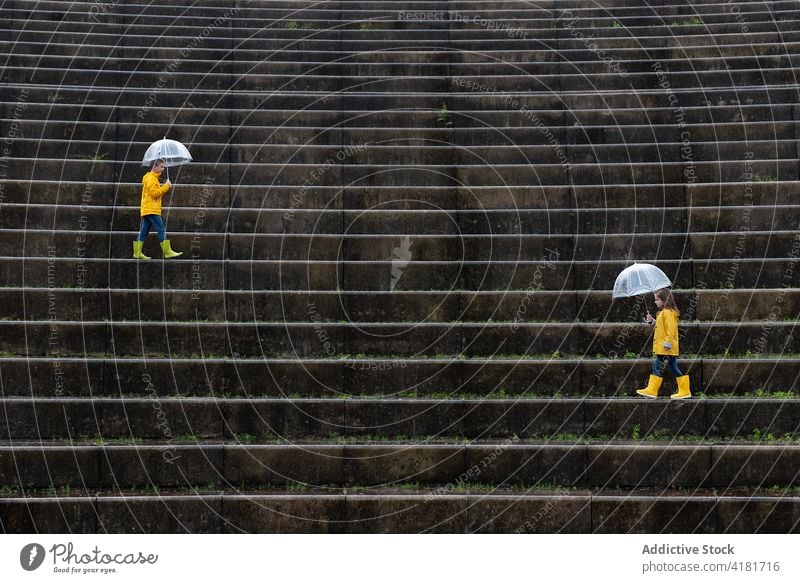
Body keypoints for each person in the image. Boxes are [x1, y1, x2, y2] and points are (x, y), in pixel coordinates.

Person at [636, 288, 691, 399]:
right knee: (672, 366)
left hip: (666, 346)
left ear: (664, 300)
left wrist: (668, 343)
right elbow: (661, 327)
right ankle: (684, 390)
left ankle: (653, 389)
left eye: (657, 300)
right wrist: (652, 321)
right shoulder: (663, 313)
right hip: (665, 346)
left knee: (657, 365)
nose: (655, 302)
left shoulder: (668, 313)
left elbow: (671, 329)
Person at [133, 159, 182, 259]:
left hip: (148, 208)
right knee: (161, 229)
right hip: (151, 209)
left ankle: (137, 253)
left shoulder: (151, 178)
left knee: (144, 231)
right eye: (161, 167)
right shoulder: (151, 179)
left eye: (163, 167)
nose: (163, 169)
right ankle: (167, 252)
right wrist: (166, 186)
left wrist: (164, 186)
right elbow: (154, 194)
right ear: (154, 167)